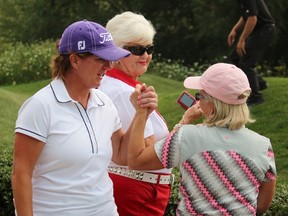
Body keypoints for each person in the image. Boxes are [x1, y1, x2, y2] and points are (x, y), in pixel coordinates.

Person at [11, 19, 158, 216]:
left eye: (110, 58)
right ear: (75, 60)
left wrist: (141, 114)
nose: (108, 65)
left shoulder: (104, 102)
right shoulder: (41, 106)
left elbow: (122, 155)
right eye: (100, 59)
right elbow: (21, 173)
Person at [128, 63, 277, 215]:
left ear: (213, 104)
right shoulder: (264, 146)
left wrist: (141, 113)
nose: (198, 100)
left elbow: (136, 160)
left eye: (200, 96)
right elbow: (261, 206)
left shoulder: (186, 137)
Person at [98, 11, 172, 216]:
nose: (146, 55)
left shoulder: (116, 84)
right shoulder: (123, 91)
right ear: (116, 51)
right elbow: (140, 154)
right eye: (138, 49)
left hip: (136, 187)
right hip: (137, 192)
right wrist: (185, 140)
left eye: (149, 48)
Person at [227, 0, 275, 106]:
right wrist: (234, 29)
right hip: (258, 32)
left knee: (246, 63)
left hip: (264, 31)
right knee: (235, 58)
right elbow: (246, 16)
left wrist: (242, 39)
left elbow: (253, 18)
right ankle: (260, 83)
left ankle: (256, 97)